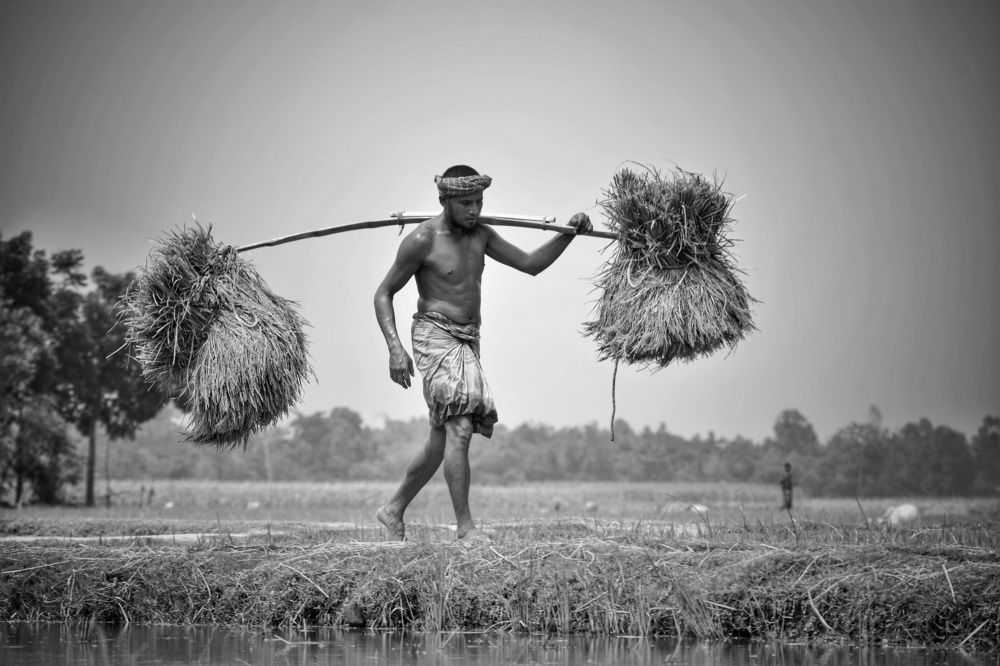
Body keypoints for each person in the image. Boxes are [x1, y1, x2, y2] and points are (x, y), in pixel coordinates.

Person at [374, 165, 592, 540]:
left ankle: (393, 509)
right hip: (435, 334)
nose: (474, 210)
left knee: (440, 440)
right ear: (445, 201)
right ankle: (466, 528)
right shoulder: (422, 240)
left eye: (478, 202)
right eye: (466, 204)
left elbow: (531, 265)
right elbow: (383, 293)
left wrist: (568, 234)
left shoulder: (482, 235)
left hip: (468, 338)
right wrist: (395, 348)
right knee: (460, 427)